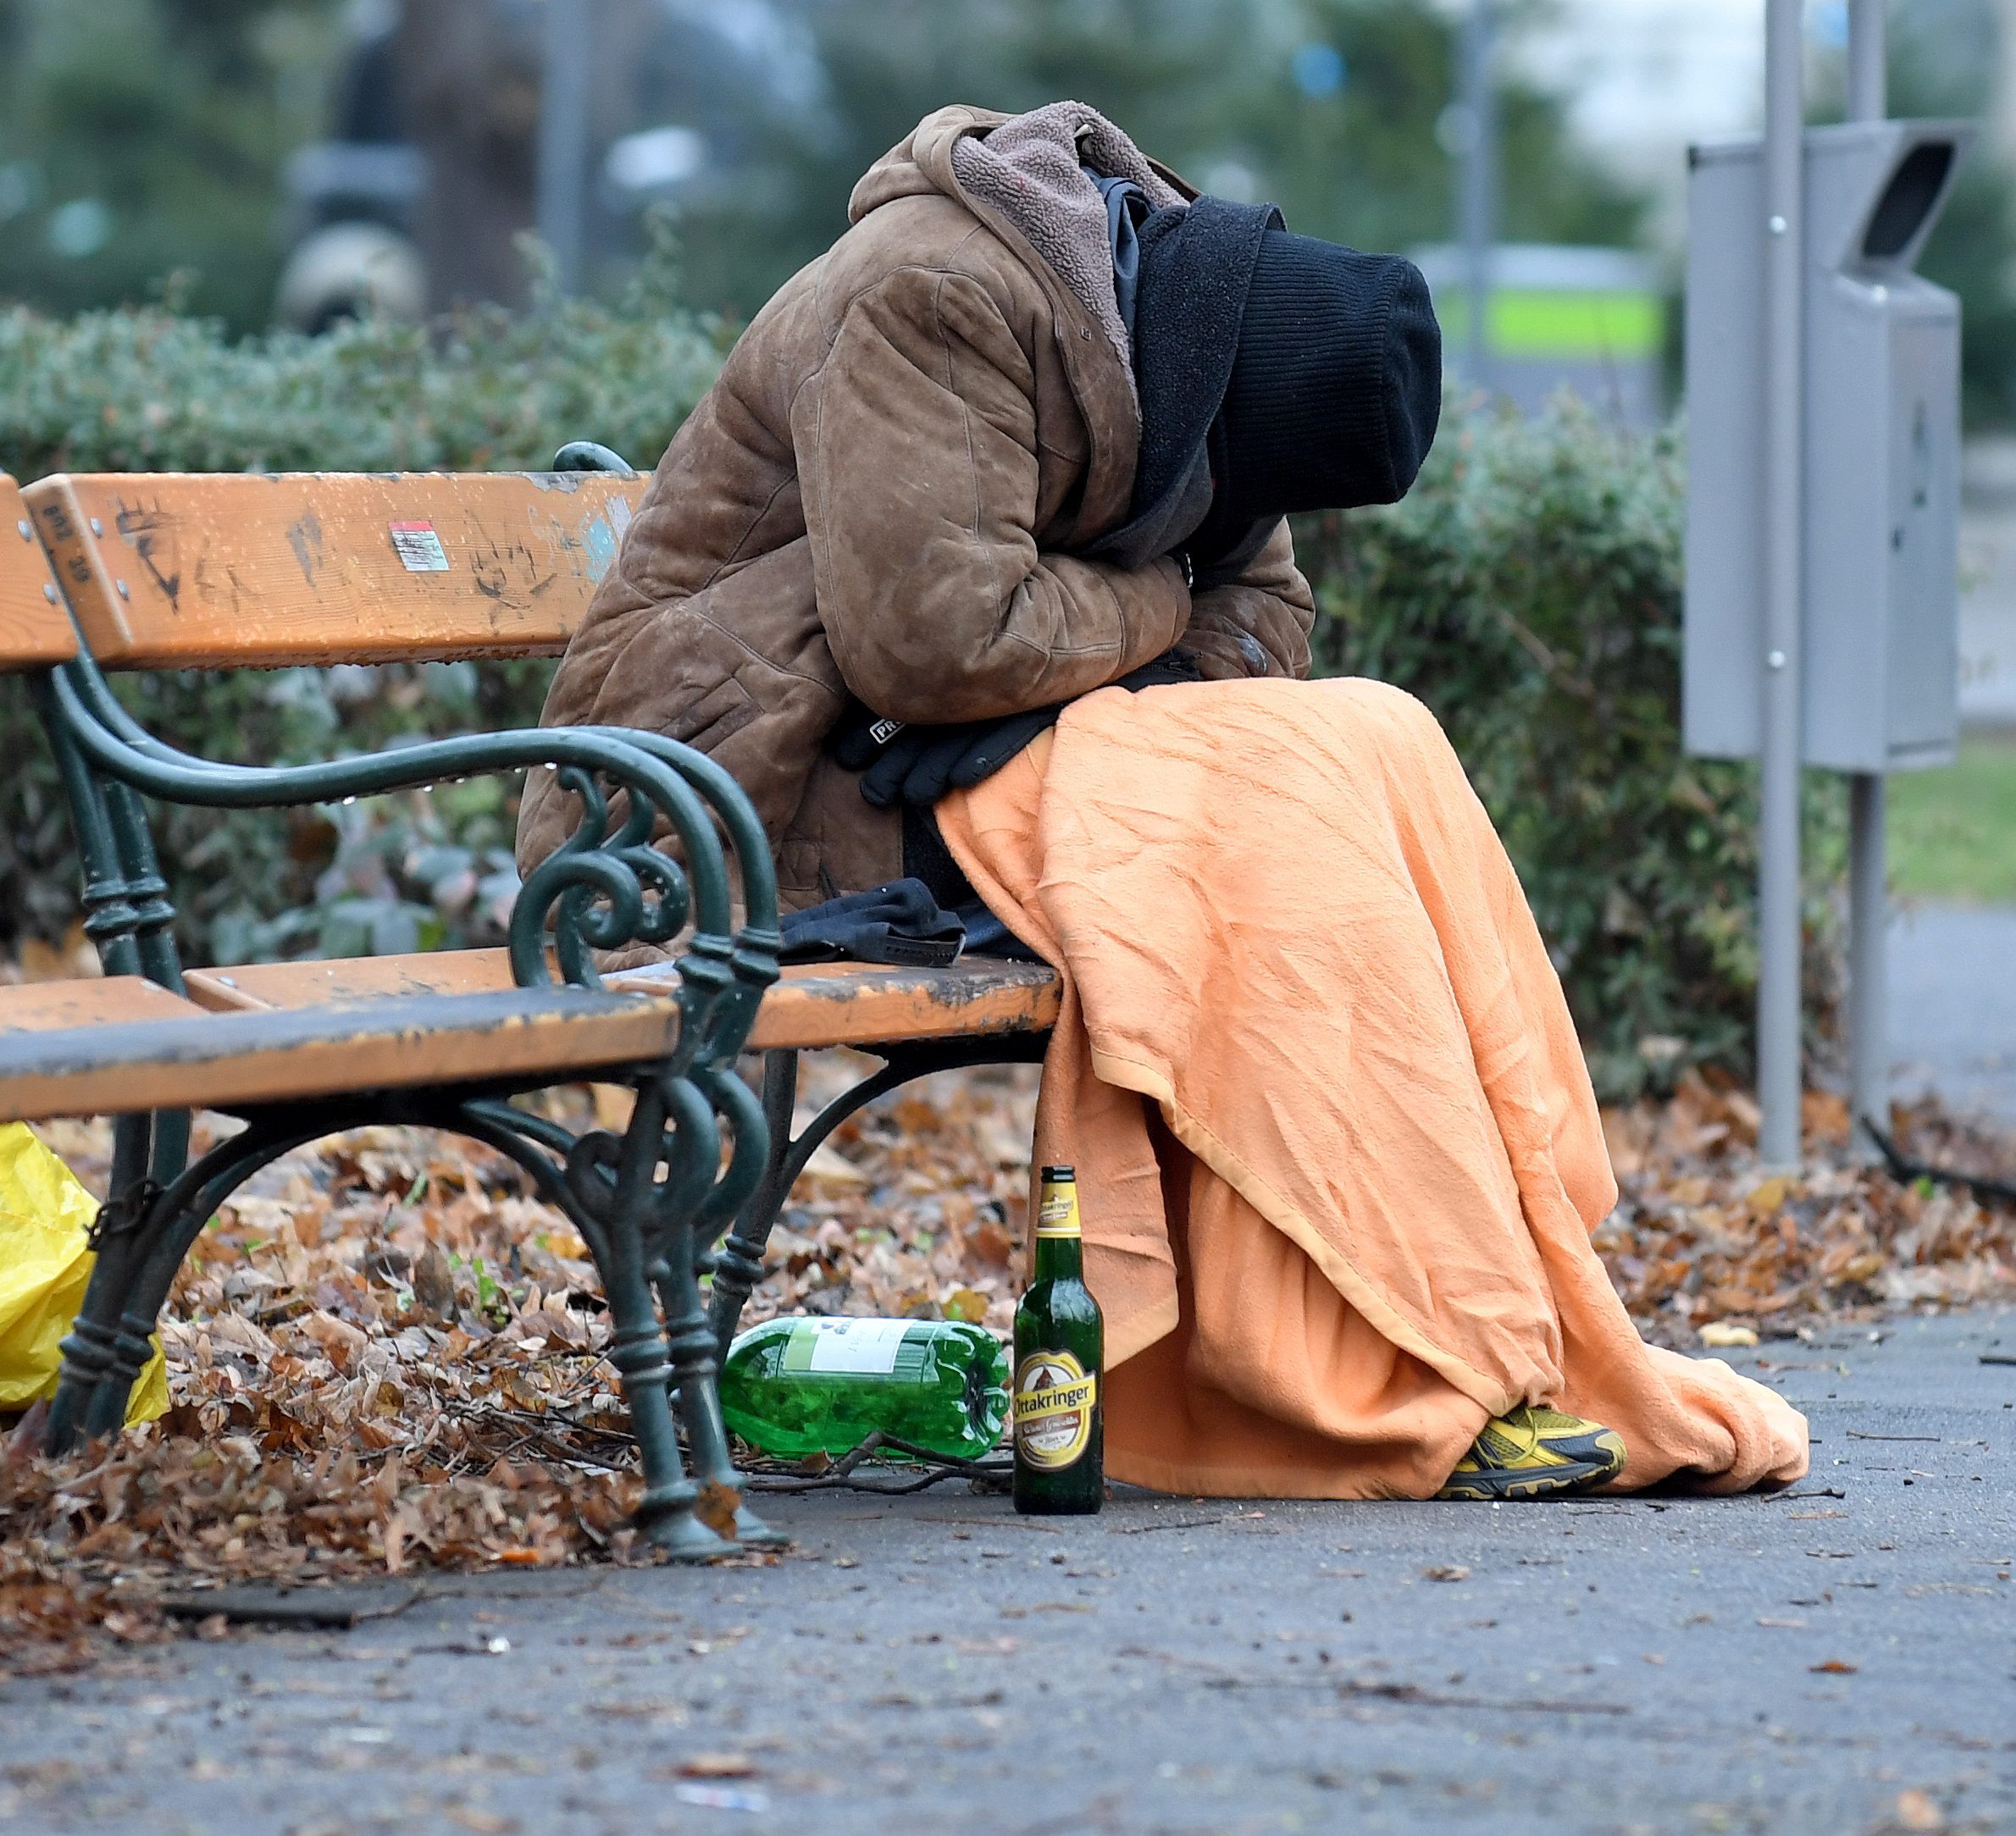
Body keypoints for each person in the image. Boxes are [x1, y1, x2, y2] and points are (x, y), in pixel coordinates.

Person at [520, 101, 1808, 1502]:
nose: (1227, 513)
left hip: (945, 760)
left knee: (1369, 738)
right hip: (727, 795)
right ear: (1219, 371)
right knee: (1268, 808)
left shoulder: (1192, 352)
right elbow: (938, 641)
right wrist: (1156, 602)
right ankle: (1371, 1353)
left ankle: (1477, 1315)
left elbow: (1266, 625)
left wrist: (1102, 650)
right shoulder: (937, 294)